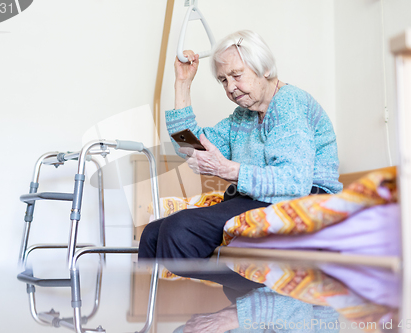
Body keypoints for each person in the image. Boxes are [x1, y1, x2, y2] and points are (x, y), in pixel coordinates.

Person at [138, 30, 342, 301]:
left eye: (236, 75)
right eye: (223, 80)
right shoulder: (242, 116)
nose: (230, 87)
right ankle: (253, 288)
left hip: (306, 203)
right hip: (260, 200)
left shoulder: (290, 103)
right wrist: (182, 84)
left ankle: (267, 284)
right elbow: (190, 147)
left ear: (265, 69)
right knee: (153, 235)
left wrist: (226, 169)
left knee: (180, 232)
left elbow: (294, 183)